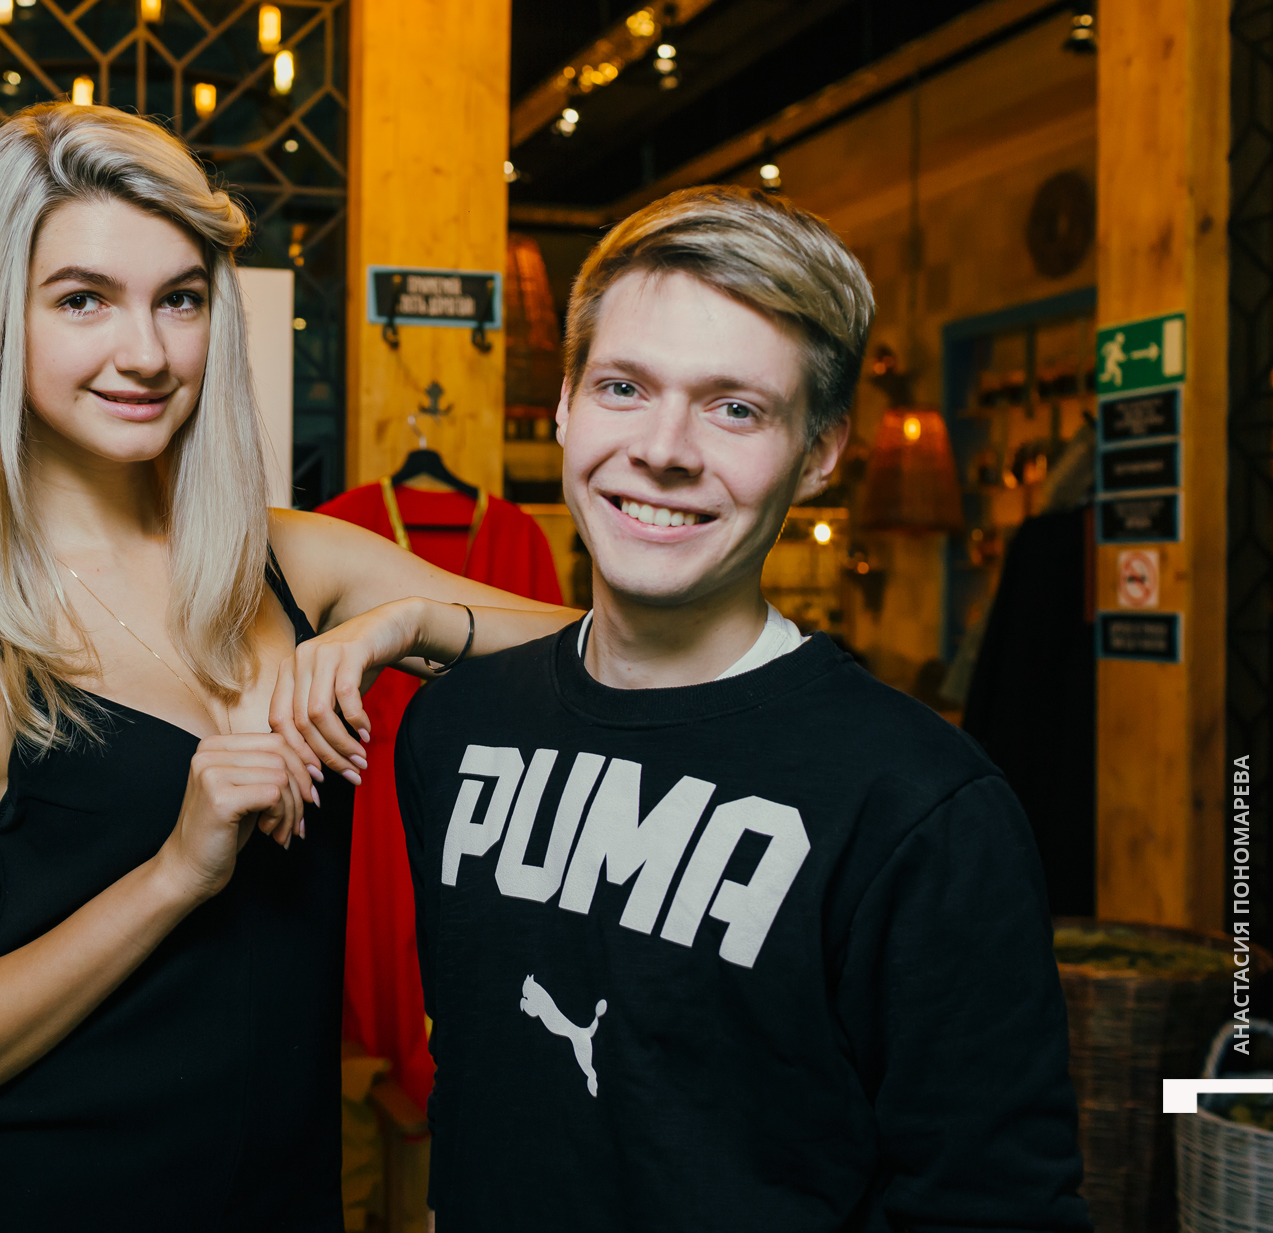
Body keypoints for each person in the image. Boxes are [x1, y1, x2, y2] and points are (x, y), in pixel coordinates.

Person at [0, 102, 574, 1231]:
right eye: (82, 300)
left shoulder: (294, 562)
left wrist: (408, 621)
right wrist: (174, 873)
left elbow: (617, 652)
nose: (146, 352)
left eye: (178, 299)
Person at [389, 187, 1092, 1231]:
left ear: (820, 451)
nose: (663, 448)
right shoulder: (455, 731)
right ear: (564, 406)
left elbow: (992, 1208)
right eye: (623, 387)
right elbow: (483, 1087)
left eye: (735, 409)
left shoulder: (920, 811)